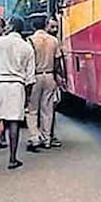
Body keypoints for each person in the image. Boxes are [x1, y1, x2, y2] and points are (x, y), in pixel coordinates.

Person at [0, 16, 36, 170]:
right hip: (17, 87)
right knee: (14, 122)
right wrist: (26, 97)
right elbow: (30, 76)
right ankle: (12, 159)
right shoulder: (27, 47)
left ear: (11, 26)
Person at [26, 16, 64, 152]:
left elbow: (28, 62)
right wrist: (60, 77)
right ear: (45, 25)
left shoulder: (30, 40)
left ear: (33, 26)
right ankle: (47, 139)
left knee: (32, 110)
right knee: (47, 109)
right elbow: (58, 61)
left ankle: (35, 136)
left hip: (35, 76)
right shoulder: (53, 40)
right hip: (49, 76)